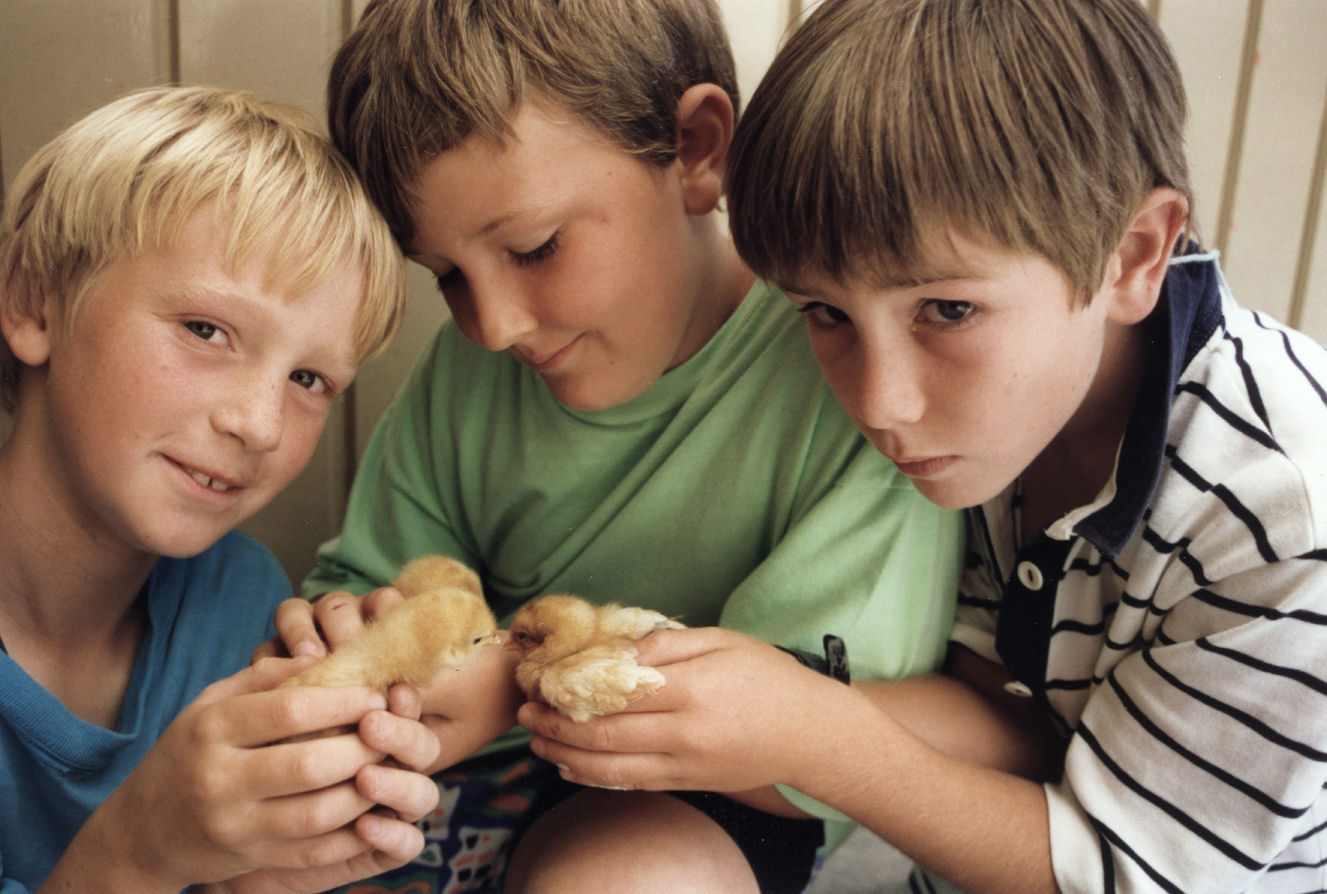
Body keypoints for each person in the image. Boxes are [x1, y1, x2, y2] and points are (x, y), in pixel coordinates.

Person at [517, 0, 1327, 891]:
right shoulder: (999, 422)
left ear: (1132, 255)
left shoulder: (1284, 516)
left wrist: (818, 736)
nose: (879, 402)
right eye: (824, 313)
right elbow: (1001, 713)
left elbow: (1119, 876)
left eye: (947, 310)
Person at [284, 0, 966, 890]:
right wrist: (354, 632)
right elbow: (375, 580)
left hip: (710, 797)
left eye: (533, 247)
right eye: (446, 275)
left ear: (695, 151)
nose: (490, 326)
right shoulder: (470, 370)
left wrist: (507, 685)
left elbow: (795, 732)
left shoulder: (841, 369)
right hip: (452, 777)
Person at [0, 85, 444, 894]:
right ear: (36, 301)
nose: (261, 425)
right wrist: (139, 852)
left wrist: (254, 881)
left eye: (310, 378)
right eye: (207, 331)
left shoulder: (240, 604)